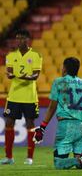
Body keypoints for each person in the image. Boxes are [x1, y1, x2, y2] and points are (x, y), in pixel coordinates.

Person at [32, 57, 82, 169]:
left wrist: (43, 126)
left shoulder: (59, 82)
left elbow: (52, 106)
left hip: (66, 125)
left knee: (59, 163)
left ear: (65, 69)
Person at [1, 29, 42, 165]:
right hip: (14, 96)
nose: (19, 41)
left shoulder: (36, 55)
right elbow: (10, 73)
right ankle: (9, 157)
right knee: (9, 123)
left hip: (30, 97)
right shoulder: (11, 55)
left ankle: (29, 157)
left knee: (30, 124)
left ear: (28, 39)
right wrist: (11, 75)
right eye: (17, 38)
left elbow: (36, 75)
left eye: (22, 38)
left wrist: (28, 77)